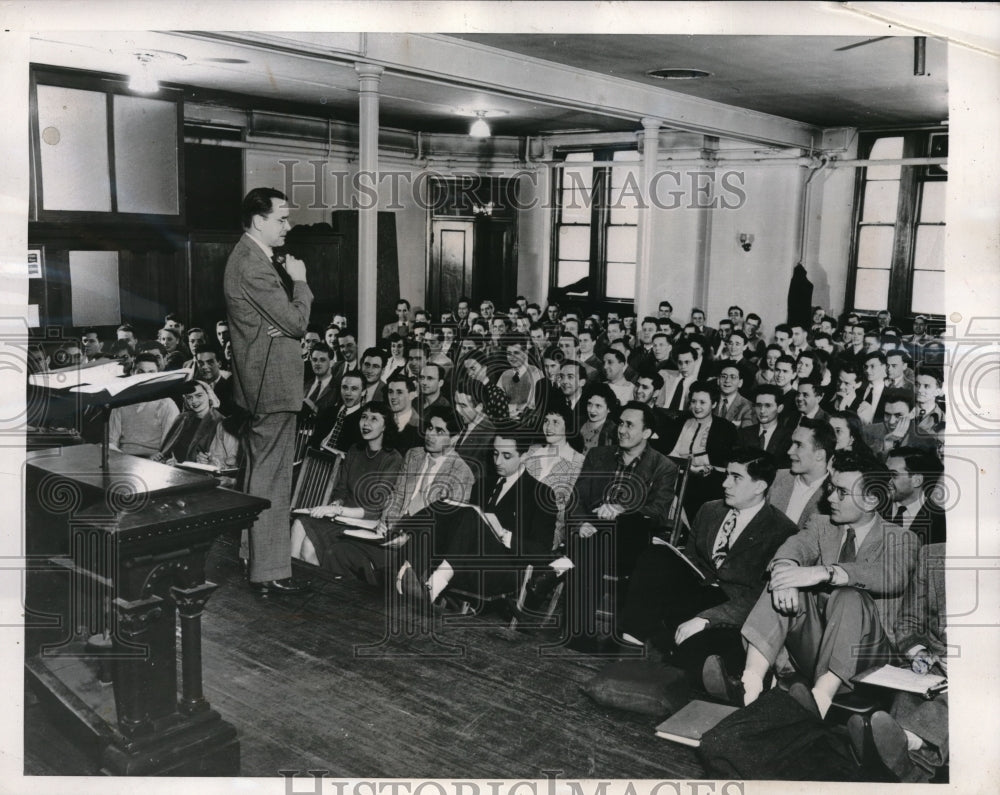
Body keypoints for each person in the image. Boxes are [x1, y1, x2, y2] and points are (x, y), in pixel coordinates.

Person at [708, 450, 919, 719]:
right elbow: (794, 547)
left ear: (871, 500)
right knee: (785, 578)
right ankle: (749, 685)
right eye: (831, 488)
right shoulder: (821, 524)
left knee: (848, 595)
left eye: (841, 492)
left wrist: (826, 572)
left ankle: (819, 701)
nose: (830, 498)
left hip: (867, 660)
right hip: (817, 651)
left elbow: (892, 575)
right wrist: (785, 571)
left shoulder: (901, 538)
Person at [621, 449, 797, 680]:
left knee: (698, 658)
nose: (725, 484)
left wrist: (707, 618)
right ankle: (628, 647)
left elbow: (759, 597)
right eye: (727, 475)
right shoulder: (710, 510)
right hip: (694, 596)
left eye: (736, 478)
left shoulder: (782, 530)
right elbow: (691, 561)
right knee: (656, 555)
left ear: (759, 486)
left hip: (729, 612)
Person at [224, 186, 313, 595]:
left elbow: (282, 327)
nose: (288, 225)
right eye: (281, 218)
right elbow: (295, 323)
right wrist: (300, 283)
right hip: (271, 385)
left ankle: (253, 557)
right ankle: (270, 571)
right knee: (271, 481)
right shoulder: (254, 266)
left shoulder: (249, 257)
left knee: (259, 474)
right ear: (259, 221)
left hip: (260, 383)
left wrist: (281, 330)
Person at [847, 543, 948, 782]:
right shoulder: (931, 554)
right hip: (935, 662)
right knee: (912, 688)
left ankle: (899, 750)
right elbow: (909, 621)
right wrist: (919, 652)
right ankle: (898, 754)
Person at [290, 401, 404, 580]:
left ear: (385, 426)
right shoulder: (355, 450)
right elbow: (341, 489)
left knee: (308, 545)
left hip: (365, 522)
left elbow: (375, 509)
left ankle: (316, 593)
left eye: (374, 419)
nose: (366, 423)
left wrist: (336, 509)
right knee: (299, 524)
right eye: (364, 417)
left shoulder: (392, 459)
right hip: (341, 517)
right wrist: (337, 502)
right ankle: (291, 582)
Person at [523, 403, 587, 550]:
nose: (549, 427)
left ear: (567, 426)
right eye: (546, 421)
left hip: (550, 527)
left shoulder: (577, 461)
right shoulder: (533, 451)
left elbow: (570, 507)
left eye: (555, 422)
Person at [152, 380, 239, 487]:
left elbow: (223, 464)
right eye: (189, 397)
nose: (194, 401)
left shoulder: (221, 423)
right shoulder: (182, 418)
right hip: (173, 473)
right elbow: (168, 450)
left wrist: (179, 466)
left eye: (199, 395)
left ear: (209, 394)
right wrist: (161, 458)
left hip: (199, 478)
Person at [107, 353, 180, 458]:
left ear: (158, 375)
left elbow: (168, 447)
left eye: (151, 372)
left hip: (153, 461)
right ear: (132, 373)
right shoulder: (120, 401)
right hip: (123, 458)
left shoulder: (167, 404)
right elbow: (112, 441)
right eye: (140, 372)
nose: (145, 377)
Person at [886, 446, 947, 545]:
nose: (887, 481)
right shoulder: (874, 512)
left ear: (917, 480)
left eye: (894, 475)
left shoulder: (941, 522)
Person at [579, 383, 619, 451]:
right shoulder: (578, 423)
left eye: (598, 406)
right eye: (589, 404)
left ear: (609, 408)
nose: (592, 410)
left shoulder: (614, 432)